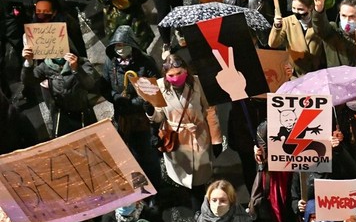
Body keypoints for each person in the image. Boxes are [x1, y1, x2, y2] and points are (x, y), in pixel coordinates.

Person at [147, 54, 223, 210]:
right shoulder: (160, 87)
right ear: (165, 75)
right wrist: (150, 112)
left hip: (198, 136)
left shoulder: (196, 82)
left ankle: (201, 208)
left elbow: (209, 110)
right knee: (183, 177)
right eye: (171, 75)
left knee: (199, 179)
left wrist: (216, 139)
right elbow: (159, 116)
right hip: (176, 140)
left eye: (179, 73)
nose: (176, 78)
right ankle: (193, 203)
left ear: (186, 71)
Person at [100, 25, 162, 191]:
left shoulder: (145, 62)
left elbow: (155, 88)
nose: (120, 49)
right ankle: (140, 188)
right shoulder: (110, 63)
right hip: (122, 116)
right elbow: (105, 87)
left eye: (123, 45)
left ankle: (156, 187)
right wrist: (116, 98)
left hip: (142, 118)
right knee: (128, 154)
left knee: (147, 155)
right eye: (117, 46)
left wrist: (135, 102)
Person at [21, 48, 98, 138]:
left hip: (81, 110)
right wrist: (28, 62)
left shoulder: (82, 62)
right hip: (60, 114)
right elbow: (28, 81)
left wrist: (76, 69)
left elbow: (90, 84)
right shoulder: (45, 66)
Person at [269, 0, 325, 76]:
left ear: (310, 7)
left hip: (316, 73)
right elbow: (273, 44)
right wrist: (277, 27)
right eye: (294, 8)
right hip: (296, 74)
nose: (296, 12)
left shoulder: (317, 22)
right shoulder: (287, 22)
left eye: (300, 9)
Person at [313, 0, 356, 67]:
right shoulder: (332, 31)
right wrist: (319, 10)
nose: (347, 20)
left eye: (351, 16)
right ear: (339, 15)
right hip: (337, 77)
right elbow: (320, 27)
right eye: (344, 16)